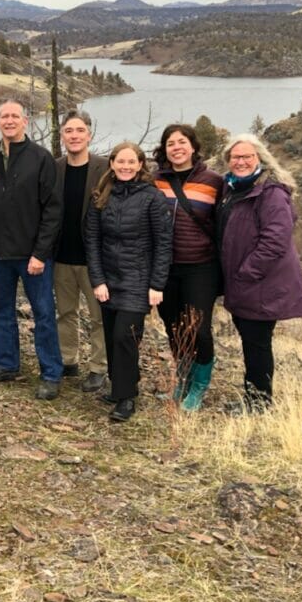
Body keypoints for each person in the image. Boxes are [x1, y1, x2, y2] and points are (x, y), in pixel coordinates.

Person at [0, 100, 65, 400]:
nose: (9, 121)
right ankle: (7, 364)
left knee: (44, 314)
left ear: (25, 121)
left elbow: (53, 210)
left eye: (15, 116)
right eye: (4, 116)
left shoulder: (40, 158)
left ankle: (51, 373)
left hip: (32, 256)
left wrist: (40, 253)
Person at [217, 134, 302, 412]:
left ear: (260, 159)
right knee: (251, 340)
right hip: (243, 282)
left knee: (256, 343)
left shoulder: (271, 193)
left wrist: (246, 273)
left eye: (247, 156)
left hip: (259, 283)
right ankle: (255, 398)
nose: (241, 161)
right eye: (235, 157)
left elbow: (275, 241)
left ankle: (258, 404)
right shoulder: (232, 188)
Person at [84, 142, 173, 423]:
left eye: (130, 162)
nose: (125, 166)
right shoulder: (101, 196)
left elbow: (163, 244)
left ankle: (127, 398)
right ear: (112, 163)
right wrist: (97, 280)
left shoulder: (152, 198)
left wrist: (157, 285)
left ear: (140, 165)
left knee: (125, 336)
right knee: (112, 335)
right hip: (108, 279)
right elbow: (92, 241)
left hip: (138, 279)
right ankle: (119, 385)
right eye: (120, 161)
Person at [153, 123, 224, 411]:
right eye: (171, 143)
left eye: (182, 142)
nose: (177, 148)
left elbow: (225, 223)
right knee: (173, 327)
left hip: (201, 266)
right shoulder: (155, 180)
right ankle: (182, 379)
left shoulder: (214, 181)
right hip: (164, 267)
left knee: (199, 329)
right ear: (165, 149)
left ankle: (199, 386)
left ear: (193, 146)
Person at [53, 110, 108, 393]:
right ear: (62, 136)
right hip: (62, 256)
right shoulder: (55, 167)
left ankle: (99, 367)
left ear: (89, 134)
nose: (74, 136)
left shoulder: (105, 168)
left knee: (99, 316)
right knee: (65, 313)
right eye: (68, 131)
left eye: (79, 130)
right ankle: (68, 360)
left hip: (94, 259)